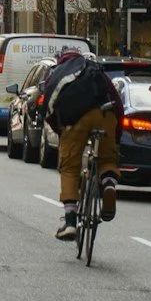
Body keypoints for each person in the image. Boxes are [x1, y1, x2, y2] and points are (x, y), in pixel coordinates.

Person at [44, 50, 119, 241]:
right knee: (107, 160)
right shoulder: (94, 69)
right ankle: (109, 185)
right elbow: (117, 102)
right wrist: (115, 136)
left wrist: (63, 135)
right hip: (104, 113)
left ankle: (70, 221)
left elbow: (50, 109)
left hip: (74, 120)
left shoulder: (57, 74)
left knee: (69, 167)